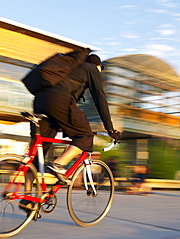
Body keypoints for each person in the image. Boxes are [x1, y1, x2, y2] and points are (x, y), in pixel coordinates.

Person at [32, 53, 121, 182]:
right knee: (85, 135)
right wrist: (110, 129)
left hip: (40, 99)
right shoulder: (91, 68)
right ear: (98, 66)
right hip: (58, 99)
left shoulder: (71, 69)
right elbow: (100, 98)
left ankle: (27, 198)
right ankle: (58, 164)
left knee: (38, 152)